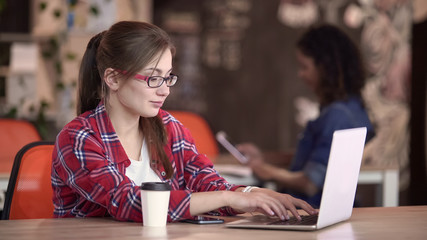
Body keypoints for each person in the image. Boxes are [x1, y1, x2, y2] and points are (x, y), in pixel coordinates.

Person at [51, 21, 316, 223]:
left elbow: (205, 182)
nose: (165, 90)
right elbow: (130, 202)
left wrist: (252, 194)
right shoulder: (79, 138)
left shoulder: (168, 127)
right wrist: (230, 197)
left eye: (168, 77)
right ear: (113, 78)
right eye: (153, 78)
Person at [238, 24, 375, 208]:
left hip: (309, 209)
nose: (300, 74)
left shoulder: (338, 117)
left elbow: (310, 183)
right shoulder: (351, 109)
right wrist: (264, 158)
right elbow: (319, 158)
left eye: (304, 67)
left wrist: (266, 170)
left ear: (325, 68)